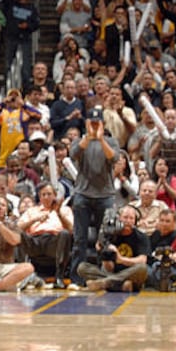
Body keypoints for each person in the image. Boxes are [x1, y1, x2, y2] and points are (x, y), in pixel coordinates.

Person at [69, 107, 120, 288]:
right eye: (92, 122)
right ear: (87, 123)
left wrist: (100, 138)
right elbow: (73, 154)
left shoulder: (111, 141)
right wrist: (89, 137)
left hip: (105, 195)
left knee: (104, 239)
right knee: (79, 239)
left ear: (103, 124)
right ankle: (76, 278)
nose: (95, 125)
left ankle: (101, 276)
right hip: (83, 193)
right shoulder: (79, 141)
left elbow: (114, 158)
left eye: (98, 122)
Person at [78, 205, 150, 292]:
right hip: (112, 272)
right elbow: (109, 268)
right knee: (82, 268)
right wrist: (103, 252)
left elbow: (142, 260)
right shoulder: (109, 234)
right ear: (119, 218)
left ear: (135, 221)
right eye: (125, 217)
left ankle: (104, 283)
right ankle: (120, 286)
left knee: (142, 268)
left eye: (131, 218)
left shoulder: (141, 237)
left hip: (131, 273)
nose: (128, 221)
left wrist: (121, 259)